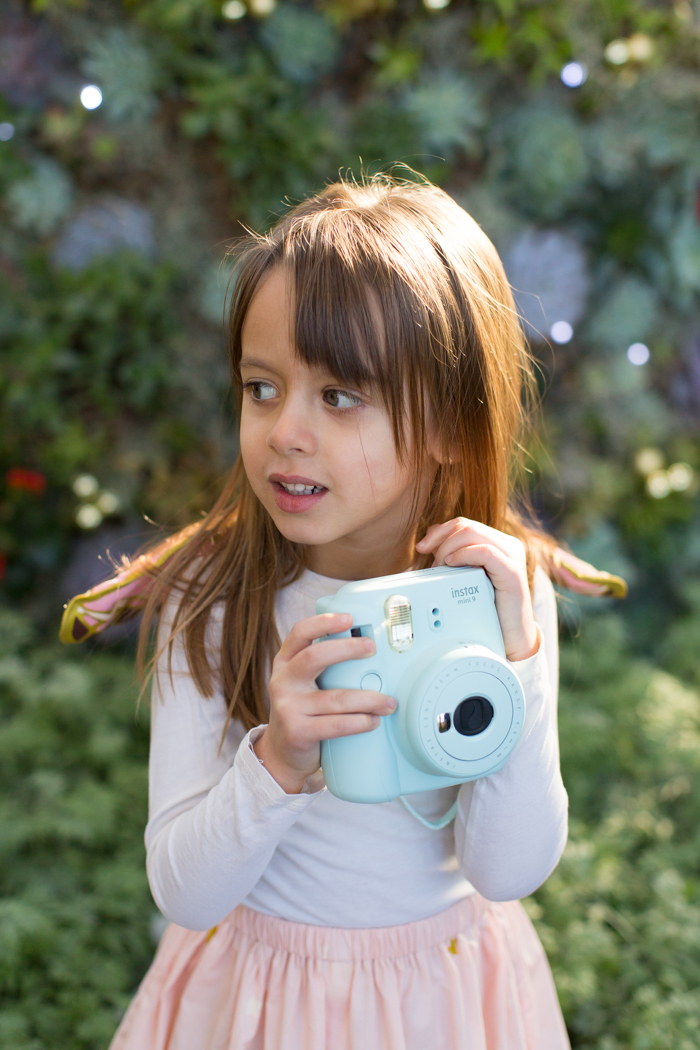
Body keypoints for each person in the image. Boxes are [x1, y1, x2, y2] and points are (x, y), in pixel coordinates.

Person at [61, 175, 625, 1050]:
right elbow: (184, 889)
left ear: (446, 423)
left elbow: (506, 869)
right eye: (261, 387)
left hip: (441, 1000)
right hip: (260, 1002)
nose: (285, 430)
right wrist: (278, 761)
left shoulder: (497, 593)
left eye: (338, 396)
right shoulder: (212, 600)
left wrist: (515, 666)